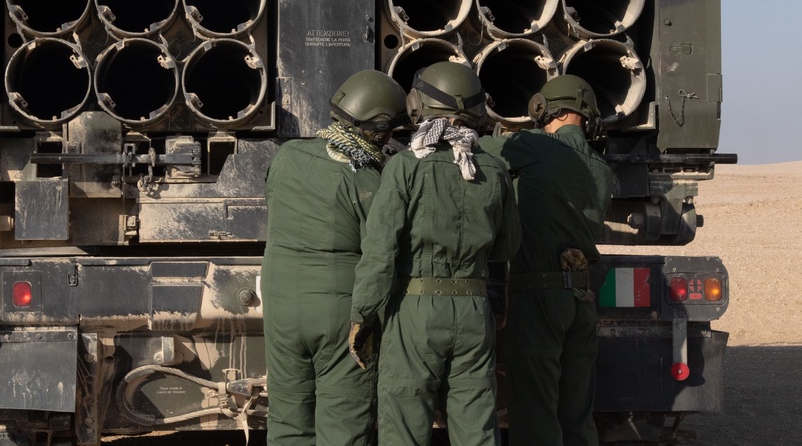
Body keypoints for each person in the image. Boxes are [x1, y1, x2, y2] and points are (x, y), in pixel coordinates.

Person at [348, 61, 520, 446]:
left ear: (417, 106)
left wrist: (363, 315)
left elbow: (380, 251)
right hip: (475, 313)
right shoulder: (494, 168)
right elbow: (507, 247)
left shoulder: (405, 167)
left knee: (405, 426)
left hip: (416, 312)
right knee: (477, 427)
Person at [261, 69, 408, 446]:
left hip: (280, 310)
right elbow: (382, 252)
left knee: (287, 421)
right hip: (340, 316)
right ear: (380, 128)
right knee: (344, 423)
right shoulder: (370, 182)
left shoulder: (287, 155)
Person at [478, 74, 612, 446]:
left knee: (535, 416)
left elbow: (478, 148)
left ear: (546, 108)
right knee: (576, 417)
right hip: (581, 301)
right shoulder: (602, 168)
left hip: (538, 296)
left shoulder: (536, 146)